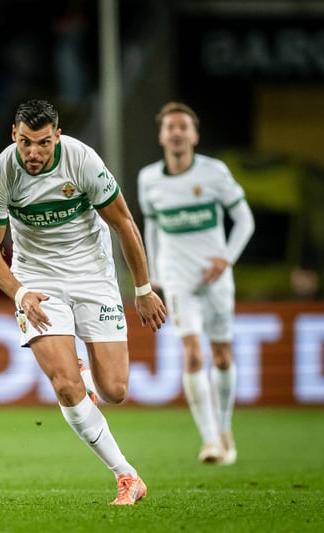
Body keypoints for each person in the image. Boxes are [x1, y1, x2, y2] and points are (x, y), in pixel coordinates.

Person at [0, 99, 166, 505]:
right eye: (26, 142)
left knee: (115, 390)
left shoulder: (82, 161)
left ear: (57, 136)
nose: (33, 152)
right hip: (37, 278)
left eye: (43, 143)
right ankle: (127, 476)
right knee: (65, 385)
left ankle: (84, 371)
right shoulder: (1, 172)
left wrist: (143, 289)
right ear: (14, 135)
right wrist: (20, 292)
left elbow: (123, 222)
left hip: (92, 274)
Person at [137, 102, 255, 465]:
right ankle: (210, 441)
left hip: (216, 278)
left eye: (182, 127)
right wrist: (153, 274)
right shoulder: (148, 179)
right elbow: (152, 226)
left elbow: (244, 220)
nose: (176, 133)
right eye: (170, 127)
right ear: (161, 136)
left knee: (222, 356)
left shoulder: (214, 172)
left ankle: (225, 427)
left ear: (194, 135)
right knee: (191, 354)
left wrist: (226, 259)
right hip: (177, 278)